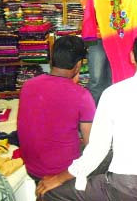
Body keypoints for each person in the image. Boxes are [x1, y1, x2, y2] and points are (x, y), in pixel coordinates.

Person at [36, 31, 137, 201]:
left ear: (131, 56)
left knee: (49, 194)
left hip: (128, 187)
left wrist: (60, 178)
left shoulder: (113, 93)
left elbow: (97, 150)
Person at [17, 36, 95, 184]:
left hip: (33, 169)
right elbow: (91, 144)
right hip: (62, 174)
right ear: (78, 65)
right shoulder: (82, 95)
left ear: (52, 59)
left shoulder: (28, 85)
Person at [81, 0, 137, 105]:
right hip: (97, 42)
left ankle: (111, 107)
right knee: (97, 77)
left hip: (113, 40)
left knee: (114, 73)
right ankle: (93, 112)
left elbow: (127, 1)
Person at [80, 0, 111, 104]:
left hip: (110, 39)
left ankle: (106, 109)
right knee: (96, 77)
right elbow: (96, 15)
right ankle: (91, 114)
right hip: (96, 40)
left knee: (110, 75)